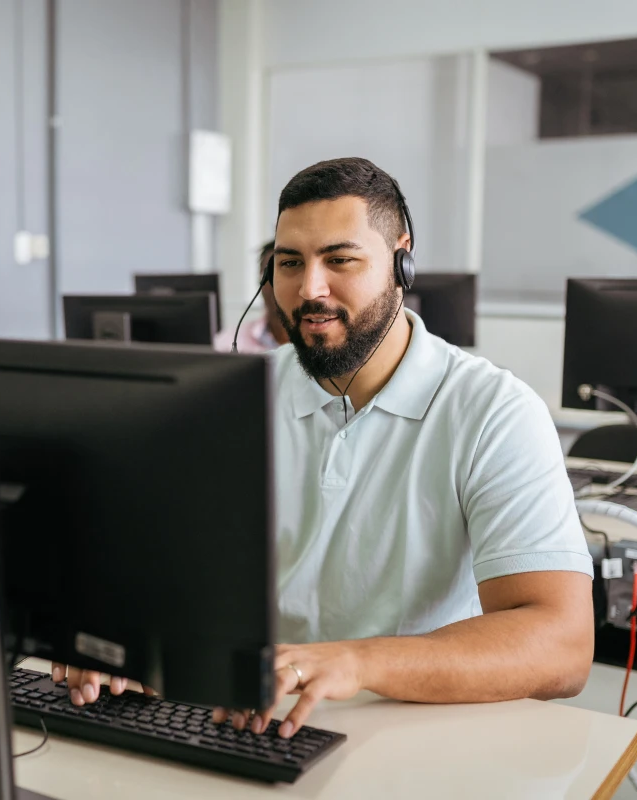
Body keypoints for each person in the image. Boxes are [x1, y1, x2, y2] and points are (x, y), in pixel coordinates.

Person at [55, 158, 594, 737]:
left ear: (400, 258)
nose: (310, 290)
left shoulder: (494, 412)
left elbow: (561, 646)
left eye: (340, 260)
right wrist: (107, 636)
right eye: (289, 263)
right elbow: (155, 565)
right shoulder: (231, 399)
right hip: (251, 720)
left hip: (418, 727)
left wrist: (356, 661)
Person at [214, 241, 290, 353]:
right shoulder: (227, 342)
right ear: (261, 279)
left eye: (287, 271)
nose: (278, 283)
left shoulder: (319, 343)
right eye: (270, 272)